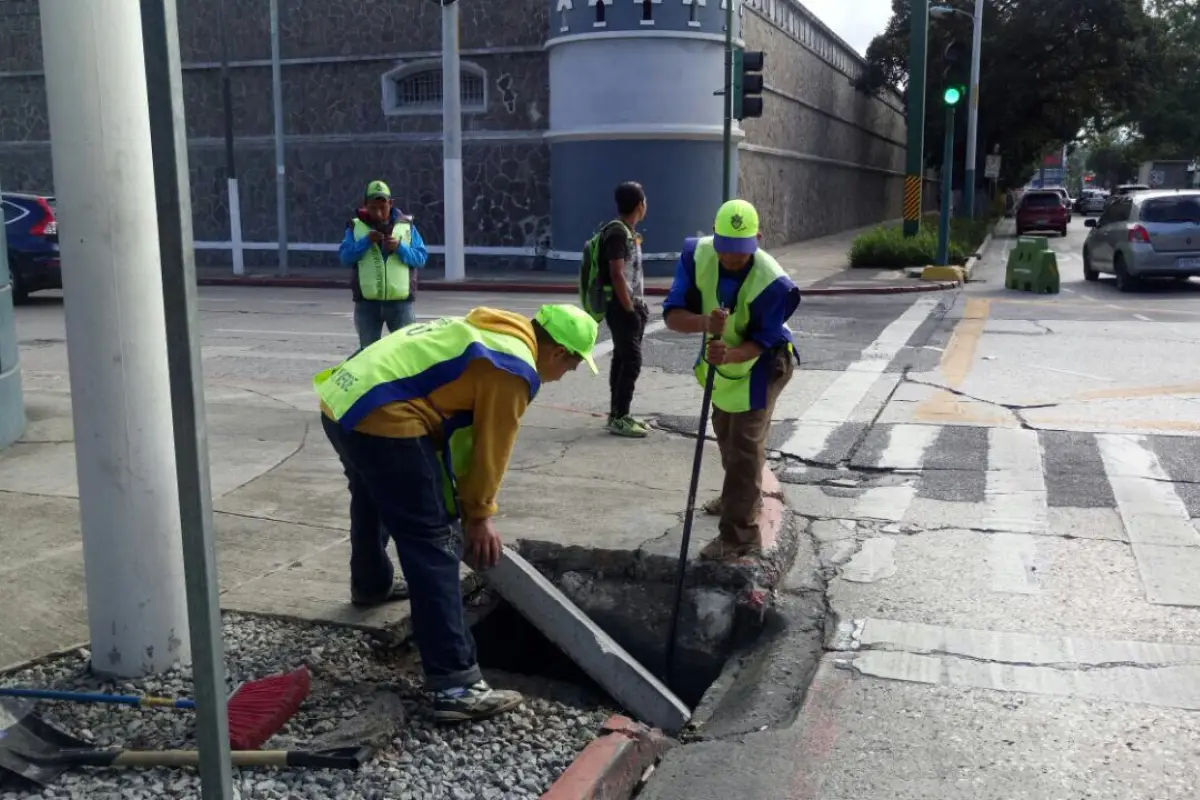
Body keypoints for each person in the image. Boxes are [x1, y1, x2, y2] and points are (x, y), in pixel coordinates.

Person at [315, 304, 599, 721]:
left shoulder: (485, 331)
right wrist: (478, 517)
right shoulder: (513, 368)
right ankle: (456, 685)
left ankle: (371, 584)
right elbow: (489, 449)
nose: (567, 375)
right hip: (384, 415)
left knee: (374, 492)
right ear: (558, 352)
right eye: (573, 366)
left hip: (343, 400)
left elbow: (458, 440)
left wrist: (466, 504)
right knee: (432, 541)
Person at [662, 199, 800, 561]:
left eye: (740, 252)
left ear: (758, 238)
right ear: (714, 236)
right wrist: (706, 324)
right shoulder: (696, 256)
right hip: (723, 364)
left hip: (764, 363)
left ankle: (740, 537)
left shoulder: (772, 282)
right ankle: (736, 496)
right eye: (725, 249)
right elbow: (673, 316)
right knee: (724, 429)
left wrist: (734, 353)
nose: (731, 259)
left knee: (744, 445)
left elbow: (767, 339)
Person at [338, 180, 429, 349]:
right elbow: (345, 257)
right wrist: (365, 242)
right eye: (373, 208)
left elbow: (421, 258)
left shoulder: (406, 226)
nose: (378, 213)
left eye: (383, 207)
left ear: (391, 204)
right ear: (365, 205)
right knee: (368, 354)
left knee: (406, 353)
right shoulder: (355, 227)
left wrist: (400, 248)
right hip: (367, 304)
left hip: (400, 304)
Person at [600, 182, 651, 438]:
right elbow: (617, 273)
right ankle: (619, 417)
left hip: (630, 307)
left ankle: (618, 413)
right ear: (640, 205)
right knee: (631, 361)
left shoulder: (628, 232)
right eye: (645, 201)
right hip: (622, 308)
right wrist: (630, 310)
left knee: (622, 359)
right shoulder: (618, 233)